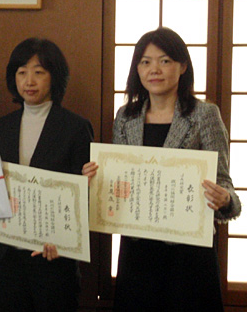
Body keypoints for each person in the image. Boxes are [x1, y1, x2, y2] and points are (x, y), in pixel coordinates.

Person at [83, 27, 241, 312]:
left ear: (182, 66)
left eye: (164, 60)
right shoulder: (126, 117)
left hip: (189, 255)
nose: (154, 69)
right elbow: (120, 184)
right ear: (137, 70)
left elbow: (224, 183)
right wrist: (97, 180)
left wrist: (225, 199)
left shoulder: (205, 115)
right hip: (138, 252)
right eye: (145, 61)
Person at [0, 38, 94, 312]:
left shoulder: (75, 127)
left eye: (39, 72)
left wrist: (63, 241)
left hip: (53, 254)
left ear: (54, 77)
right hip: (8, 253)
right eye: (21, 72)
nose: (29, 80)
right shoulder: (2, 126)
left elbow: (84, 195)